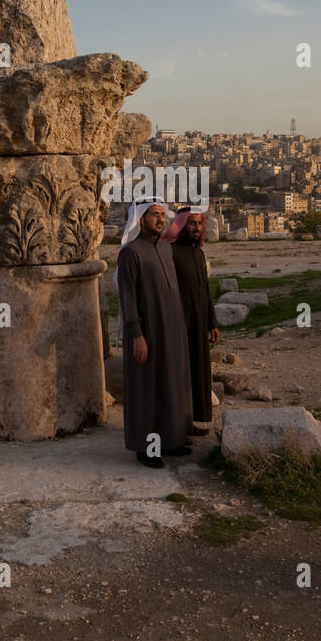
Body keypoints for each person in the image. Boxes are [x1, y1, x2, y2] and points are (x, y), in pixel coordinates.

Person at [116, 200, 193, 468]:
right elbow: (127, 300)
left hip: (171, 330)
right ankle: (146, 449)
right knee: (147, 390)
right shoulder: (131, 253)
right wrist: (137, 335)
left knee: (171, 385)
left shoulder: (164, 248)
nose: (161, 220)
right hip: (146, 334)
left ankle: (171, 440)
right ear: (141, 219)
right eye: (155, 215)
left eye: (163, 215)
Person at [162, 207, 218, 434]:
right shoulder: (171, 252)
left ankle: (191, 421)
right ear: (182, 225)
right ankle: (175, 424)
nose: (196, 228)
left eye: (199, 223)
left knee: (197, 373)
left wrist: (211, 322)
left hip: (198, 325)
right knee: (180, 374)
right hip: (179, 324)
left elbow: (204, 289)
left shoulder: (199, 253)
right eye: (192, 223)